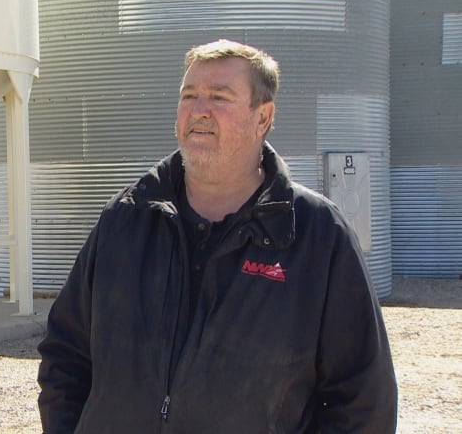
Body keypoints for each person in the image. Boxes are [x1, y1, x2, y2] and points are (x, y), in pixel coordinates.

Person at [36, 39, 398, 433]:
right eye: (188, 95)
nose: (199, 110)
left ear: (263, 118)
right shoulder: (126, 220)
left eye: (219, 97)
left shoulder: (316, 236)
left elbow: (363, 399)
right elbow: (66, 356)